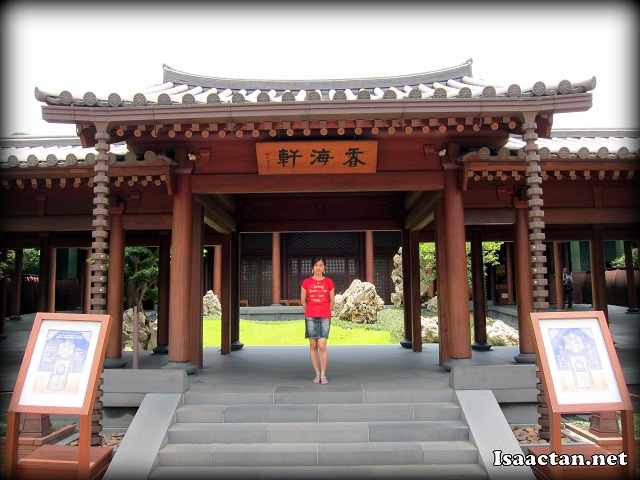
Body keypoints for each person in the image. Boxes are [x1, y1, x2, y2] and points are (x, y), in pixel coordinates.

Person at [300, 255, 335, 385]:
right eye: (316, 265)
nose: (318, 268)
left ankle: (324, 374)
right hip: (311, 316)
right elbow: (303, 300)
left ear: (324, 267)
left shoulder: (329, 282)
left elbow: (332, 300)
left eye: (321, 265)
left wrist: (327, 311)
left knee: (322, 345)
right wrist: (309, 310)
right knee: (313, 345)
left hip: (325, 316)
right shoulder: (306, 282)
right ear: (312, 267)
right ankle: (317, 373)